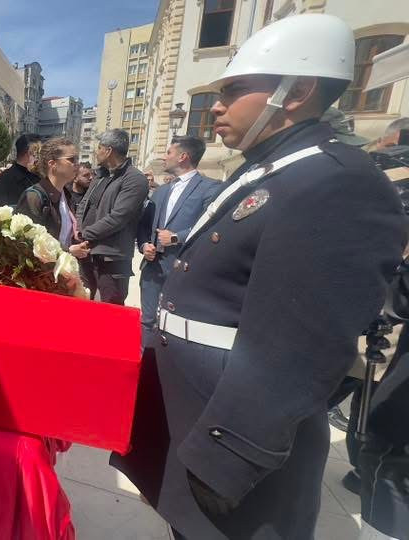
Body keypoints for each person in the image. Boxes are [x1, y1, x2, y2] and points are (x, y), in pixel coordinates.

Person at [109, 14, 407, 540]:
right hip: (196, 410)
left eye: (235, 89)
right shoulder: (272, 167)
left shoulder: (338, 182)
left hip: (230, 440)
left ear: (299, 91)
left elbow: (304, 350)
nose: (217, 105)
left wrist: (226, 458)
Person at [136, 136, 221, 340]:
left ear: (183, 156)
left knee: (175, 326)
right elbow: (144, 225)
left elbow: (211, 226)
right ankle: (145, 357)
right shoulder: (161, 191)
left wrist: (176, 237)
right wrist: (145, 245)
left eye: (169, 152)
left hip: (182, 269)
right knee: (147, 321)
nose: (164, 157)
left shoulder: (210, 187)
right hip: (152, 269)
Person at [73, 130, 148, 305]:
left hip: (111, 259)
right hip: (87, 252)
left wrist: (85, 234)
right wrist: (78, 229)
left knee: (110, 308)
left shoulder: (134, 179)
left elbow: (118, 217)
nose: (96, 152)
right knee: (81, 303)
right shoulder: (101, 175)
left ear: (108, 151)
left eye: (99, 147)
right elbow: (83, 205)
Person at [14, 137, 90, 260]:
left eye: (77, 159)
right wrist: (68, 251)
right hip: (41, 269)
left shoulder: (66, 195)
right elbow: (26, 243)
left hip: (61, 267)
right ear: (52, 164)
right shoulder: (34, 196)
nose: (77, 164)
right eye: (72, 159)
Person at [0, 134, 41, 207]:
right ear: (29, 153)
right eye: (38, 154)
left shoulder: (0, 179)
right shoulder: (2, 181)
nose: (39, 159)